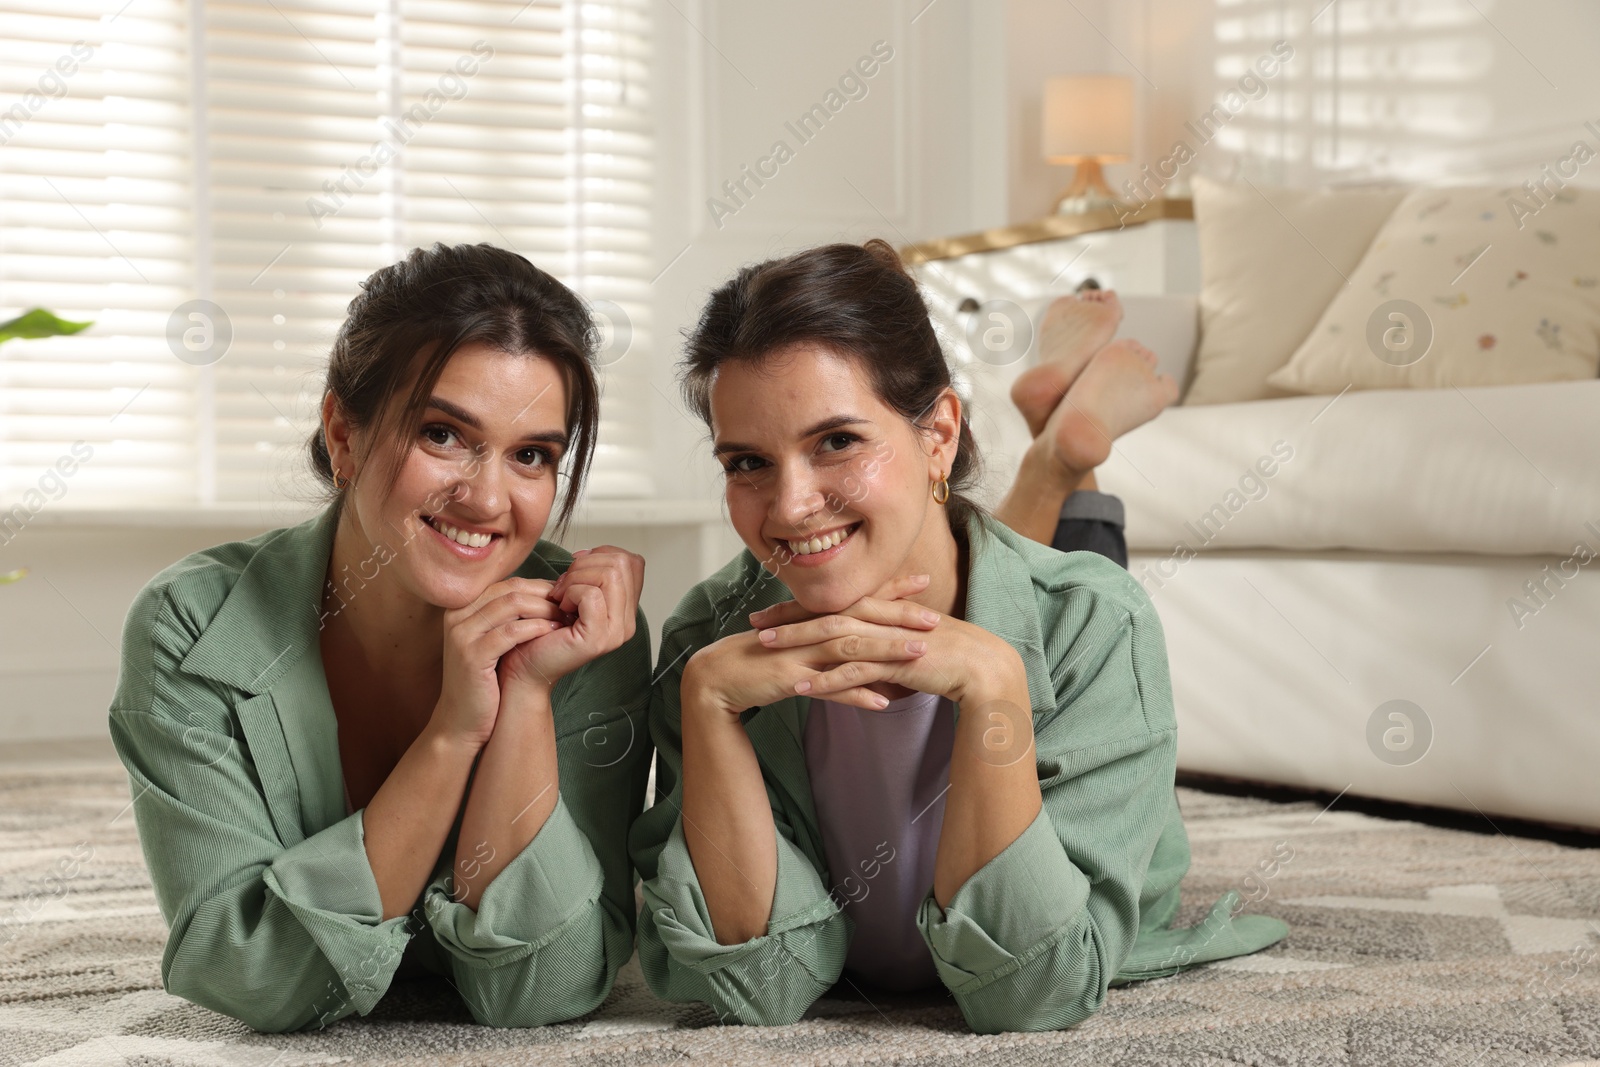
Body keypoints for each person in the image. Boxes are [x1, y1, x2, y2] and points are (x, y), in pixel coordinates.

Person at [628, 239, 1289, 1035]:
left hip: (1049, 616)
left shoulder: (1098, 623)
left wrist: (997, 688)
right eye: (746, 461)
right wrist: (705, 706)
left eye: (837, 440)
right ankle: (1058, 444)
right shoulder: (709, 640)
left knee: (1071, 584)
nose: (789, 505)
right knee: (989, 557)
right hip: (962, 547)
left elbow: (1034, 993)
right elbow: (759, 985)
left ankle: (1058, 454)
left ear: (939, 432)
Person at [108, 243, 651, 1032]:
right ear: (344, 433)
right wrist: (455, 733)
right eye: (443, 435)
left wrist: (526, 694)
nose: (487, 497)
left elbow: (547, 989)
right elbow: (254, 977)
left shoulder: (584, 635)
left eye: (532, 455)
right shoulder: (191, 627)